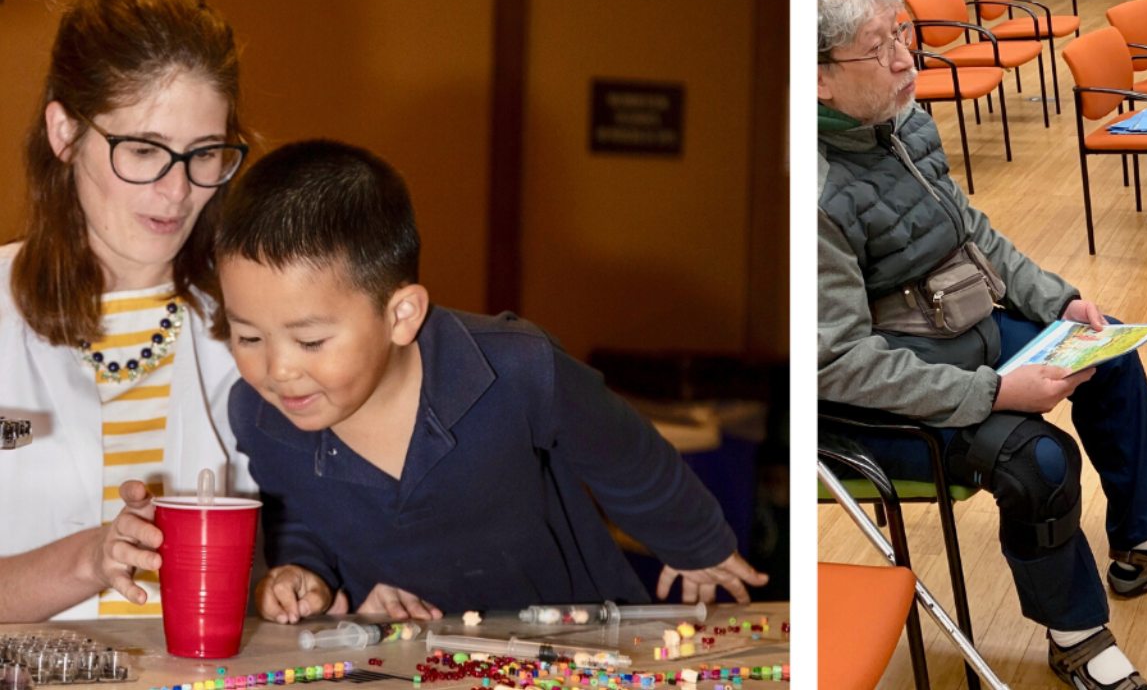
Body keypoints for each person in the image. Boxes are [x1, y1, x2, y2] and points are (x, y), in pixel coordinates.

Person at [815, 0, 1147, 688]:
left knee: (1110, 356)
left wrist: (1057, 301)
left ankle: (1146, 541)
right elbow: (837, 365)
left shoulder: (899, 121)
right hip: (876, 402)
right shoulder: (815, 191)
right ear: (818, 79)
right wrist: (993, 393)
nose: (904, 59)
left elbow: (970, 233)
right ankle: (1074, 634)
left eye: (902, 33)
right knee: (1038, 462)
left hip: (958, 333)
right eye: (877, 47)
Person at [212, 140, 766, 622]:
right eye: (248, 337)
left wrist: (695, 541)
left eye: (309, 342)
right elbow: (300, 513)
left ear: (400, 315)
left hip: (579, 636)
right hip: (417, 654)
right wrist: (304, 572)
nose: (277, 370)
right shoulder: (260, 415)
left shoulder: (516, 367)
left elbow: (624, 454)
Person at [0, 0, 252, 623]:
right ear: (64, 133)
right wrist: (90, 559)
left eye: (204, 154)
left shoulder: (254, 323)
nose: (178, 191)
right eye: (143, 150)